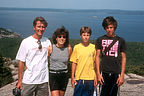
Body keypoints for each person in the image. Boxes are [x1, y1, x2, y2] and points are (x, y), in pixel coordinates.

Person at [16, 16, 51, 96]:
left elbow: (49, 56)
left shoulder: (47, 41)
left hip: (43, 80)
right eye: (39, 26)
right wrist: (20, 81)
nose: (41, 29)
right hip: (29, 80)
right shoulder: (26, 42)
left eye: (43, 27)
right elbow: (21, 62)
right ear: (34, 27)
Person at [95, 16, 127, 96]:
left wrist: (122, 75)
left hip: (116, 72)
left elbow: (124, 58)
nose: (109, 29)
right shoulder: (100, 40)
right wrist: (98, 74)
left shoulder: (121, 40)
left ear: (114, 27)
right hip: (104, 72)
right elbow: (97, 57)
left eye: (111, 27)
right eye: (107, 27)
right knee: (103, 93)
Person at [70, 26, 97, 96]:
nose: (86, 37)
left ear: (90, 36)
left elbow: (95, 63)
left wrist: (96, 76)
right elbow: (74, 63)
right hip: (79, 78)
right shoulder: (77, 47)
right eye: (84, 35)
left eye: (88, 35)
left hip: (91, 78)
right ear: (81, 35)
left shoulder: (93, 48)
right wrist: (72, 77)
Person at [49, 26, 72, 96]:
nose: (62, 38)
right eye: (59, 36)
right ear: (56, 38)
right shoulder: (51, 48)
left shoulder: (68, 49)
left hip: (64, 76)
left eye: (64, 37)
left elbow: (72, 62)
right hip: (53, 75)